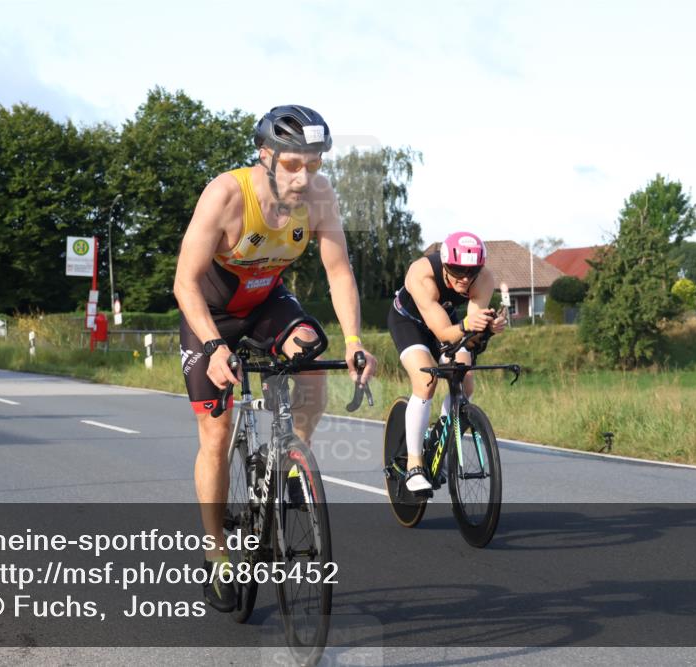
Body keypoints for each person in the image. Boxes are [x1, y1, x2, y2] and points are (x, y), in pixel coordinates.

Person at [173, 104, 377, 612]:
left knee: (309, 347)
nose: (304, 177)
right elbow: (185, 283)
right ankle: (216, 552)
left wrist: (354, 340)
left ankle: (291, 460)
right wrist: (214, 348)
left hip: (264, 301)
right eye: (292, 164)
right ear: (265, 156)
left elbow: (339, 272)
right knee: (216, 433)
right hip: (211, 315)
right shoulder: (226, 195)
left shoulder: (320, 197)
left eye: (315, 163)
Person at [387, 231, 507, 492]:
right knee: (425, 381)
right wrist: (467, 325)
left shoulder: (484, 279)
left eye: (471, 271)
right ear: (445, 265)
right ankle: (414, 465)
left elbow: (470, 337)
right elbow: (443, 333)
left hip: (447, 321)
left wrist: (488, 328)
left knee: (465, 381)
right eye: (457, 271)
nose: (465, 278)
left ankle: (441, 442)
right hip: (409, 322)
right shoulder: (422, 274)